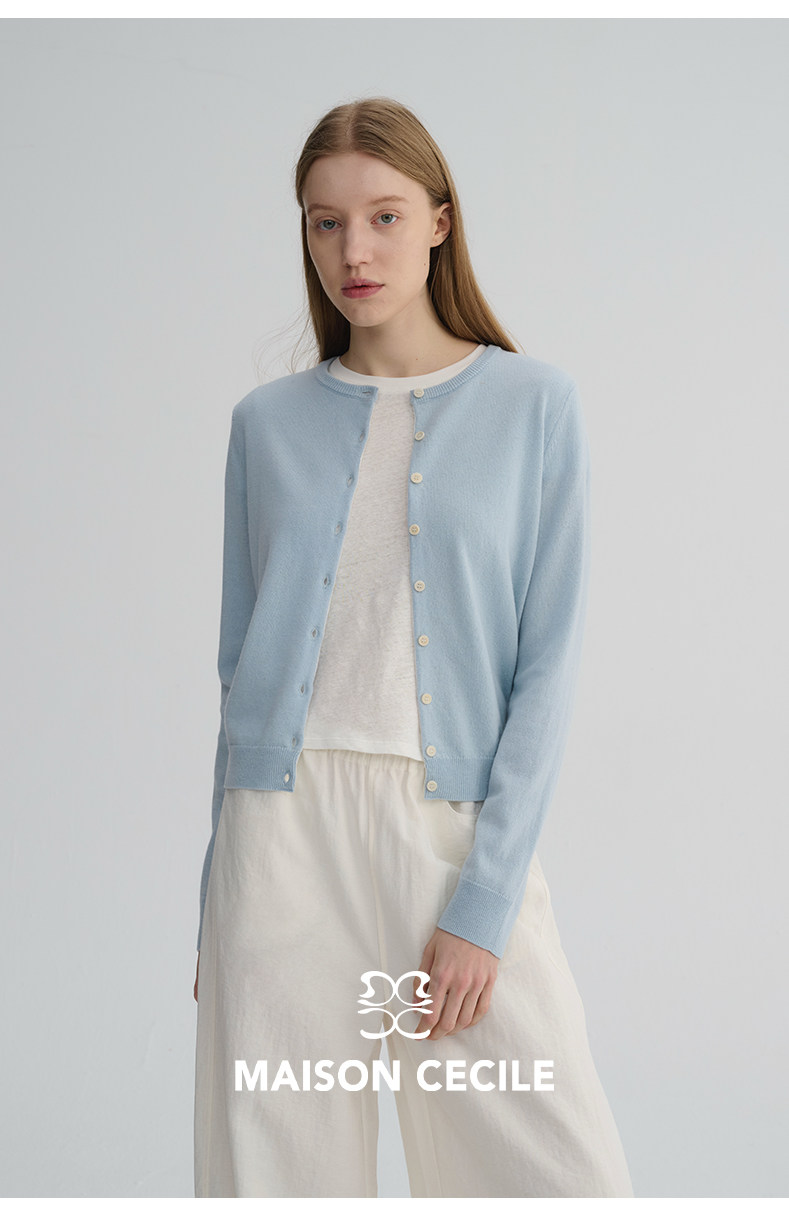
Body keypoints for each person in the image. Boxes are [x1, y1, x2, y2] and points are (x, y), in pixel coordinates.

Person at [193, 95, 634, 1199]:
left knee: (556, 1173)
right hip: (279, 847)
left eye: (384, 216)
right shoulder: (264, 425)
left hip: (446, 836)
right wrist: (216, 904)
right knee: (278, 1175)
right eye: (326, 222)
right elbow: (239, 679)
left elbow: (548, 668)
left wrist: (484, 904)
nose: (355, 250)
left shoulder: (534, 405)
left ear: (440, 222)